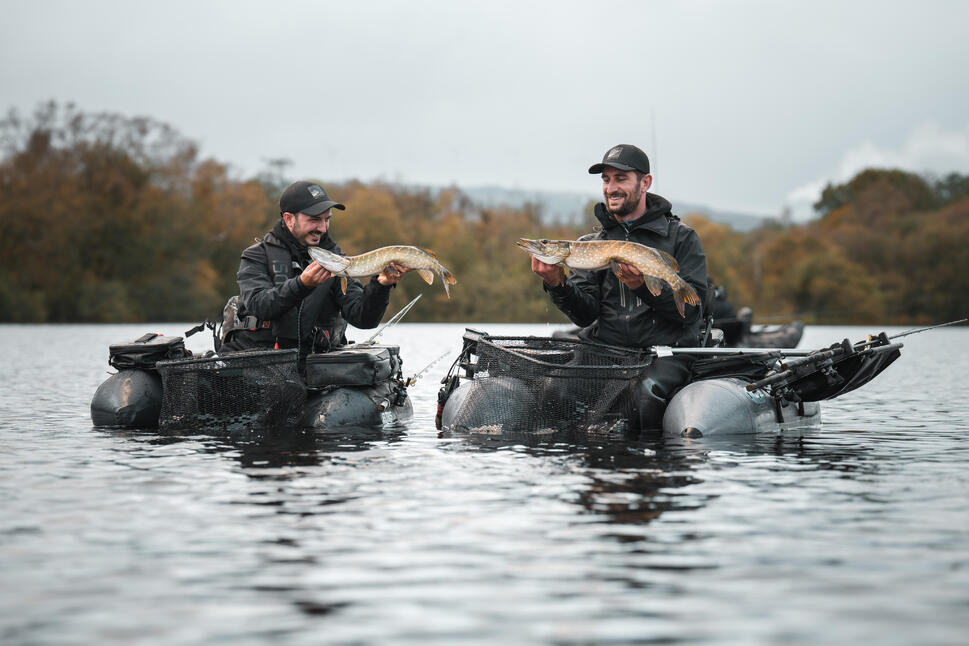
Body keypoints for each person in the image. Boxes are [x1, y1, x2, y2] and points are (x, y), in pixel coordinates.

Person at [529, 144, 709, 429]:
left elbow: (692, 312)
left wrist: (642, 287)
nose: (611, 188)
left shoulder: (681, 238)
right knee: (554, 393)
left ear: (645, 182)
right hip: (605, 352)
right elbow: (585, 315)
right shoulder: (591, 244)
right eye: (606, 179)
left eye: (620, 179)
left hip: (663, 353)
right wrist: (557, 283)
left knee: (642, 398)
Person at [221, 180, 406, 353]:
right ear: (289, 219)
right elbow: (258, 305)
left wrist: (381, 285)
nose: (323, 228)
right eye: (315, 219)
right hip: (263, 356)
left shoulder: (335, 261)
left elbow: (363, 318)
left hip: (317, 360)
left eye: (327, 219)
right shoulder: (256, 255)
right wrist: (302, 285)